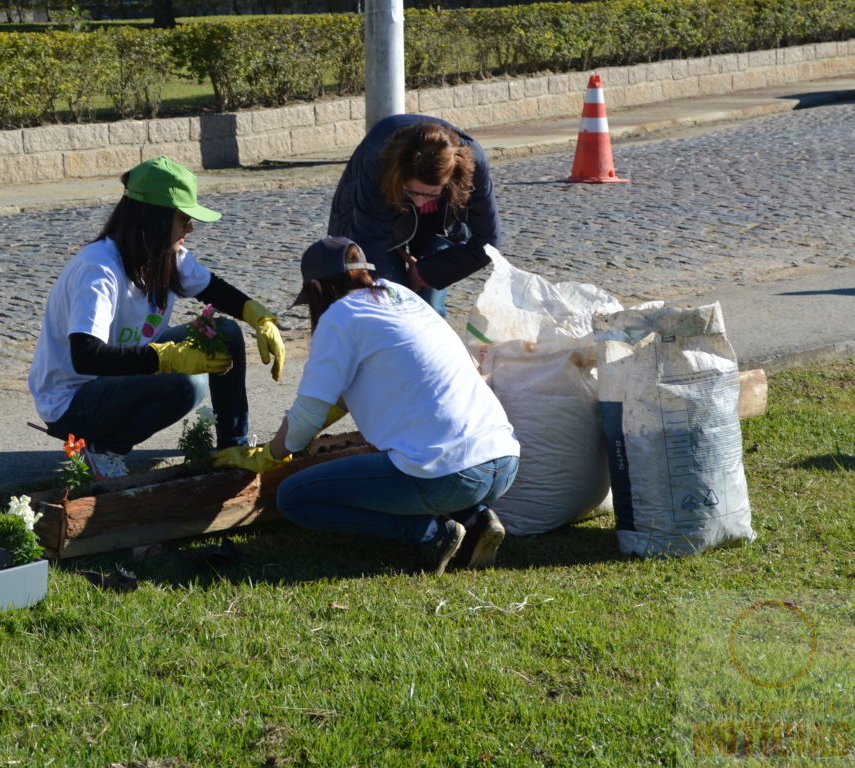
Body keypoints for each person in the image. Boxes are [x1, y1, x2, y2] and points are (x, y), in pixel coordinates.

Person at [212, 236, 519, 574]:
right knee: (419, 452)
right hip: (503, 462)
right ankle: (476, 520)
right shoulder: (402, 296)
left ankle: (429, 533)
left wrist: (272, 452)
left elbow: (308, 415)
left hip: (450, 478)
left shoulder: (341, 316)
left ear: (316, 288)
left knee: (294, 497)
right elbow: (349, 394)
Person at [28, 156, 286, 480]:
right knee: (184, 383)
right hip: (74, 403)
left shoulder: (166, 255)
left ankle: (232, 448)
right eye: (183, 218)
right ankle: (105, 448)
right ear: (155, 220)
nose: (191, 228)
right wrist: (168, 357)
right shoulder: (99, 270)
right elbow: (86, 357)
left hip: (119, 380)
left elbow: (214, 289)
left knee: (225, 333)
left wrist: (260, 317)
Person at [327, 114, 500, 318]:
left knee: (430, 309)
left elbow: (488, 243)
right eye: (413, 192)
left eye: (429, 193)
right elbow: (370, 242)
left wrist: (425, 273)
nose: (419, 202)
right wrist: (396, 297)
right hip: (384, 212)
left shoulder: (473, 163)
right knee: (392, 307)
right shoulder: (379, 163)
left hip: (441, 220)